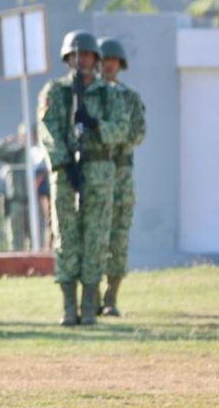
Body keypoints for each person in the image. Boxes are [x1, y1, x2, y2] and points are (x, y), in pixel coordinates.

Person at [38, 31, 128, 326]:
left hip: (99, 173)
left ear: (95, 59)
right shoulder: (55, 91)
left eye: (88, 55)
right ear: (68, 59)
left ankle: (89, 305)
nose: (82, 60)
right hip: (66, 173)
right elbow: (47, 131)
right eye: (76, 55)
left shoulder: (109, 94)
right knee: (66, 238)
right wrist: (64, 161)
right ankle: (68, 306)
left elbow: (121, 130)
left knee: (96, 239)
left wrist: (95, 125)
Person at [98, 37, 146, 317]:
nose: (108, 65)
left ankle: (111, 297)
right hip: (95, 171)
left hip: (121, 173)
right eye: (104, 61)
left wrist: (112, 135)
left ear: (120, 64)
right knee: (94, 234)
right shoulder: (91, 95)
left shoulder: (129, 98)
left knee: (118, 235)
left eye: (113, 61)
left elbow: (137, 133)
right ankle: (91, 295)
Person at [0, 123, 35, 251]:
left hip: (35, 202)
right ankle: (18, 268)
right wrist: (5, 142)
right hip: (17, 202)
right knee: (16, 241)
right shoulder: (15, 154)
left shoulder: (40, 154)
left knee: (36, 239)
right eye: (24, 136)